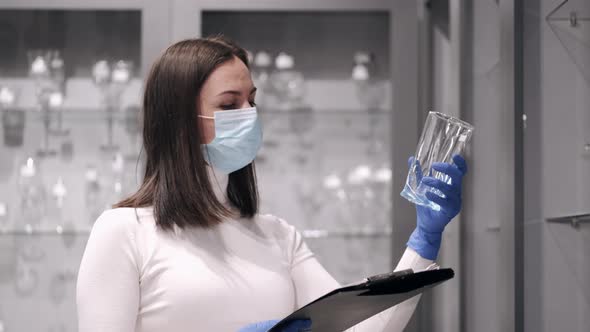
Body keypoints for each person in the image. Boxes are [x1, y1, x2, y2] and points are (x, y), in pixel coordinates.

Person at [76, 36, 468, 332]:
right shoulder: (125, 232)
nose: (248, 114)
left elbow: (361, 328)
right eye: (229, 105)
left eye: (252, 100)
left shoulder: (278, 236)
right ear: (179, 119)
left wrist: (423, 240)